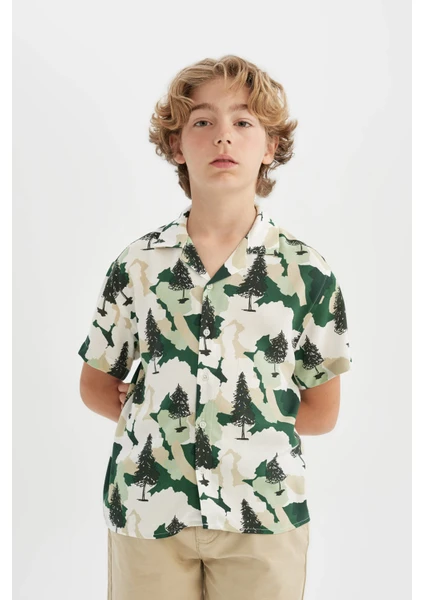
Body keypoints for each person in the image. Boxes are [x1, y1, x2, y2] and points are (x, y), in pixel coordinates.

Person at [78, 55, 353, 600]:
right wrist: (157, 406)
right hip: (149, 514)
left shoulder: (306, 272)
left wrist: (235, 419)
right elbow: (95, 385)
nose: (223, 135)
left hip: (264, 516)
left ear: (271, 146)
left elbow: (322, 411)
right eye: (202, 121)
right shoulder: (137, 264)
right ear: (176, 145)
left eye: (243, 121)